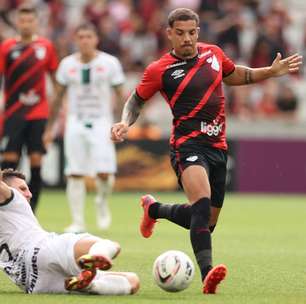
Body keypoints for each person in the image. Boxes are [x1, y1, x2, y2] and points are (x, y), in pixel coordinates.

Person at [111, 8, 302, 294]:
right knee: (200, 206)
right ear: (169, 34)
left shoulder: (213, 53)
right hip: (187, 145)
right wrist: (125, 122)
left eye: (191, 32)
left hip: (217, 147)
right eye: (180, 33)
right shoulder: (159, 69)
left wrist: (270, 72)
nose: (186, 39)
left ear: (197, 32)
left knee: (205, 223)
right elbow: (136, 101)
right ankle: (207, 275)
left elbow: (238, 75)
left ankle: (154, 209)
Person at [0, 168, 140, 294]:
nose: (29, 194)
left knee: (132, 281)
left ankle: (89, 285)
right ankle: (97, 256)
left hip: (36, 283)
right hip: (43, 249)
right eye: (23, 189)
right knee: (112, 245)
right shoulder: (14, 200)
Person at [43, 23, 125, 233]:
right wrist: (50, 128)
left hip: (102, 121)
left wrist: (122, 122)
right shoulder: (67, 64)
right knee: (75, 172)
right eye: (81, 37)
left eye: (89, 36)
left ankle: (102, 202)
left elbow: (120, 94)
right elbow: (58, 97)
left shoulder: (110, 63)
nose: (85, 41)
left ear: (96, 39)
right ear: (75, 40)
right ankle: (78, 221)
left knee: (105, 173)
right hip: (75, 121)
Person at [0, 6, 58, 213]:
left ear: (36, 23)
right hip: (14, 114)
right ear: (17, 22)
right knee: (9, 163)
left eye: (30, 21)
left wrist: (53, 122)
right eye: (22, 20)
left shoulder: (46, 47)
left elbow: (56, 83)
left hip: (38, 114)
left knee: (36, 161)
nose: (26, 24)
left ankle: (31, 210)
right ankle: (7, 209)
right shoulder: (7, 47)